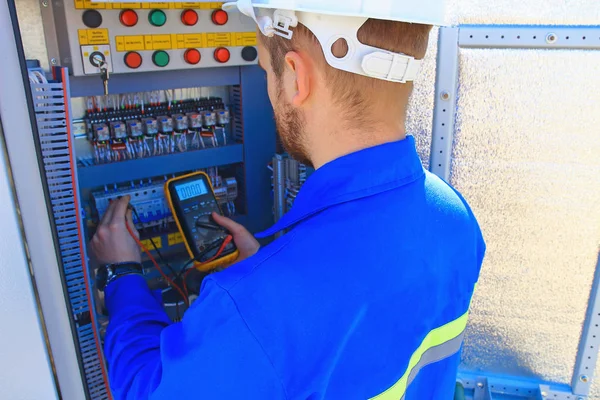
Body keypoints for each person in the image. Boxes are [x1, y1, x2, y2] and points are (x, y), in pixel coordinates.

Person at [91, 1, 485, 399]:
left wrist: (122, 275)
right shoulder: (456, 218)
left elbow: (148, 387)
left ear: (297, 76)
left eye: (265, 69)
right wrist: (264, 269)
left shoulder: (255, 306)